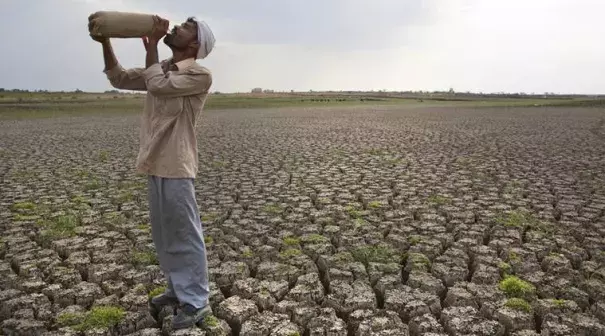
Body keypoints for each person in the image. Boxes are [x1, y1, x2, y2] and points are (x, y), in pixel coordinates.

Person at [89, 14, 216, 329]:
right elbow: (118, 78)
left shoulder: (199, 74)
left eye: (185, 27)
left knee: (185, 234)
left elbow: (157, 87)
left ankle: (197, 303)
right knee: (165, 235)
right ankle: (177, 290)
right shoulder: (161, 69)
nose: (176, 28)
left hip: (176, 163)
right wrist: (106, 40)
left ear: (196, 42)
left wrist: (153, 47)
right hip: (155, 162)